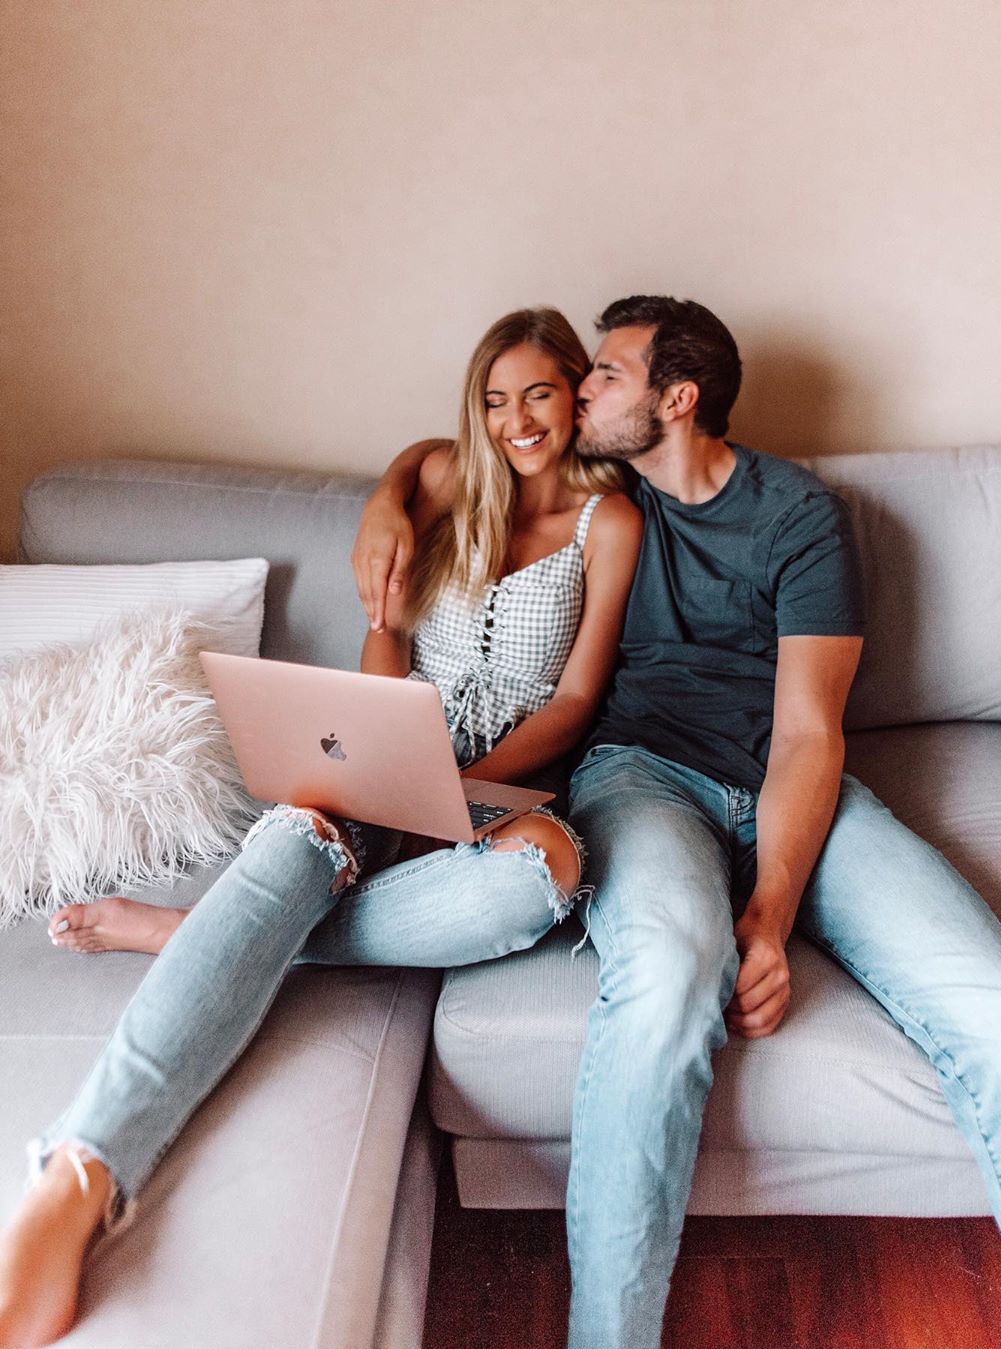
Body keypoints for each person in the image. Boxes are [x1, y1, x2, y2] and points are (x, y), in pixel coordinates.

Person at [352, 296, 1001, 1349]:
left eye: (605, 374)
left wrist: (773, 912)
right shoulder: (602, 505)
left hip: (798, 790)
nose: (584, 390)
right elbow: (452, 455)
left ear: (676, 399)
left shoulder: (798, 514)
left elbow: (809, 737)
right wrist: (386, 495)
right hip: (639, 779)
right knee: (668, 979)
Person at [0, 307, 643, 1348]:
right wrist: (389, 728)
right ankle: (81, 1169)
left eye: (537, 393)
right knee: (302, 833)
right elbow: (384, 631)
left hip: (500, 784)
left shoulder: (606, 522)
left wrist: (457, 781)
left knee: (542, 878)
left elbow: (573, 701)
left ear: (576, 390)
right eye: (494, 397)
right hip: (382, 756)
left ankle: (193, 933)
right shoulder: (445, 477)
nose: (516, 419)